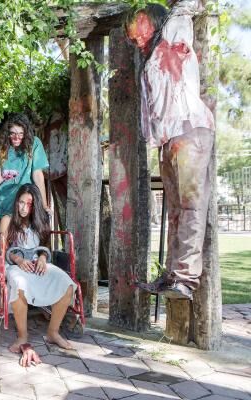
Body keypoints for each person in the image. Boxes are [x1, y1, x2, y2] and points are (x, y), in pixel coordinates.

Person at [125, 0, 215, 300]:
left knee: (191, 205)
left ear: (154, 20)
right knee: (175, 209)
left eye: (139, 25)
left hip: (189, 128)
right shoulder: (150, 58)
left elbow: (187, 5)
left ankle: (186, 277)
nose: (135, 36)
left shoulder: (174, 31)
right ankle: (173, 275)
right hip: (168, 139)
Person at [0, 184, 76, 356]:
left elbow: (44, 247)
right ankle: (22, 337)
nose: (23, 208)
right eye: (21, 202)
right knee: (19, 284)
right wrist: (19, 260)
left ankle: (53, 332)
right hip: (15, 265)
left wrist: (42, 258)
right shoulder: (7, 220)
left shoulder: (40, 222)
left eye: (28, 204)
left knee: (67, 284)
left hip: (37, 264)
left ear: (35, 206)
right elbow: (3, 250)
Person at [0, 113, 50, 251]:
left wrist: (44, 205)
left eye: (20, 134)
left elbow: (38, 175)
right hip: (2, 198)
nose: (16, 137)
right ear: (7, 133)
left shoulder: (34, 144)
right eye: (12, 133)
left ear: (26, 133)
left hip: (23, 199)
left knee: (32, 230)